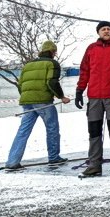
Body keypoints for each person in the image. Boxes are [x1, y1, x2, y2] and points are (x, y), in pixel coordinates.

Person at [5, 41, 71, 171]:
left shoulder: (28, 65)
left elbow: (20, 84)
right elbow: (52, 82)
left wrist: (27, 98)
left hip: (27, 102)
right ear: (53, 52)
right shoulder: (52, 63)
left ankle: (12, 162)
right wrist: (61, 97)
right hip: (44, 102)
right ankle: (54, 157)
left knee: (23, 131)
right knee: (52, 128)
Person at [75, 21, 110, 178]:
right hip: (94, 98)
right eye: (103, 29)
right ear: (98, 32)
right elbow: (85, 70)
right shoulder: (92, 49)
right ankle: (94, 165)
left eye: (108, 29)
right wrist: (80, 90)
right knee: (94, 132)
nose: (106, 31)